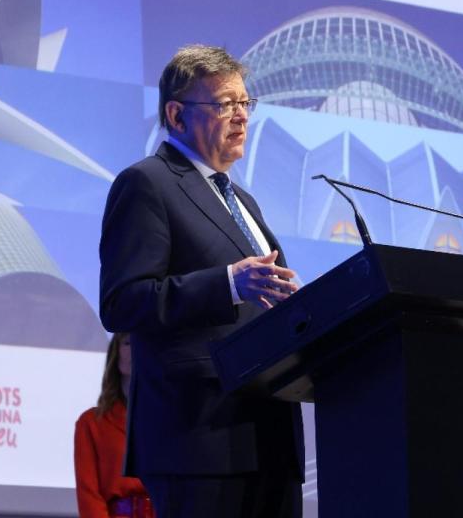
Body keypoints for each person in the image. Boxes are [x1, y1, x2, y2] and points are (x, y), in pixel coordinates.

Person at [98, 44, 304, 517]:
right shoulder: (147, 183)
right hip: (198, 438)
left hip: (268, 434)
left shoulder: (245, 203)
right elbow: (123, 301)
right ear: (176, 114)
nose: (241, 116)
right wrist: (227, 283)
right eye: (224, 104)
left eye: (245, 104)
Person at [74, 333, 155, 518]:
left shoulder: (170, 419)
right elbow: (89, 497)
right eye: (128, 343)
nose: (135, 350)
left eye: (141, 342)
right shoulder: (91, 423)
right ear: (115, 354)